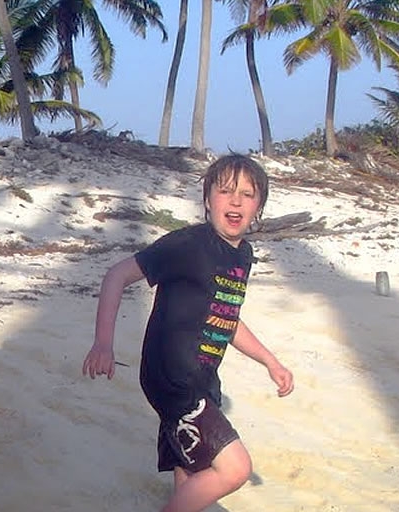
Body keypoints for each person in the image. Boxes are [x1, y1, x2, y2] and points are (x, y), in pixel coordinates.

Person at [81, 154, 296, 512]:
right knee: (235, 468)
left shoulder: (243, 255)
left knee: (191, 473)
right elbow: (117, 275)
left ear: (259, 207)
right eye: (225, 191)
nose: (236, 200)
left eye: (248, 194)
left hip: (203, 379)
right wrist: (103, 342)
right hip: (174, 379)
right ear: (207, 199)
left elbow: (225, 318)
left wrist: (269, 361)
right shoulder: (186, 244)